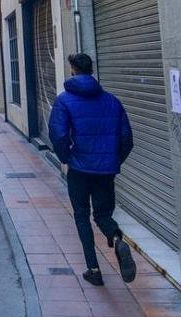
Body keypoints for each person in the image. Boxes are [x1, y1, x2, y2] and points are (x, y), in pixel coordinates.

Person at [48, 53, 137, 287]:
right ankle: (117, 239)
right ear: (91, 70)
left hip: (79, 169)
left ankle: (93, 269)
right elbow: (127, 138)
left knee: (81, 216)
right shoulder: (112, 101)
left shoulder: (64, 100)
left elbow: (57, 135)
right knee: (103, 215)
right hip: (105, 171)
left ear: (72, 70)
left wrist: (66, 158)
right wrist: (113, 161)